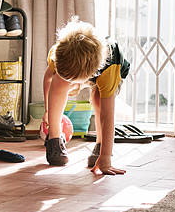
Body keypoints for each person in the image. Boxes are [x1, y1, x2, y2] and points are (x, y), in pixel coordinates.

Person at [42, 17, 128, 174]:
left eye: (72, 81)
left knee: (98, 100)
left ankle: (101, 146)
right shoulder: (61, 53)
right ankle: (54, 138)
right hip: (81, 66)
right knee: (59, 82)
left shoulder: (109, 71)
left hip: (108, 68)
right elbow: (48, 78)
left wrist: (106, 158)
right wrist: (48, 111)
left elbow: (107, 116)